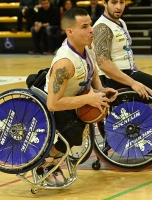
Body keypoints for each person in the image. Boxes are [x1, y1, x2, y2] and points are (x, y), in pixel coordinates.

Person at [41, 7, 118, 186]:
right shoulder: (64, 63)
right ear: (70, 32)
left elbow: (93, 72)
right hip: (55, 105)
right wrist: (88, 99)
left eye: (90, 24)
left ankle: (59, 156)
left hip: (74, 99)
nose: (91, 29)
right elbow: (52, 104)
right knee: (75, 131)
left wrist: (100, 89)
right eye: (84, 26)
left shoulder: (86, 47)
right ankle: (46, 162)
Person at [93, 0, 152, 118]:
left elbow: (126, 53)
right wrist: (133, 83)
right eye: (114, 2)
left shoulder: (121, 23)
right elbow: (103, 63)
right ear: (104, 3)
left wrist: (139, 73)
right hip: (113, 79)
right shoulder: (102, 27)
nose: (118, 7)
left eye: (122, 2)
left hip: (128, 73)